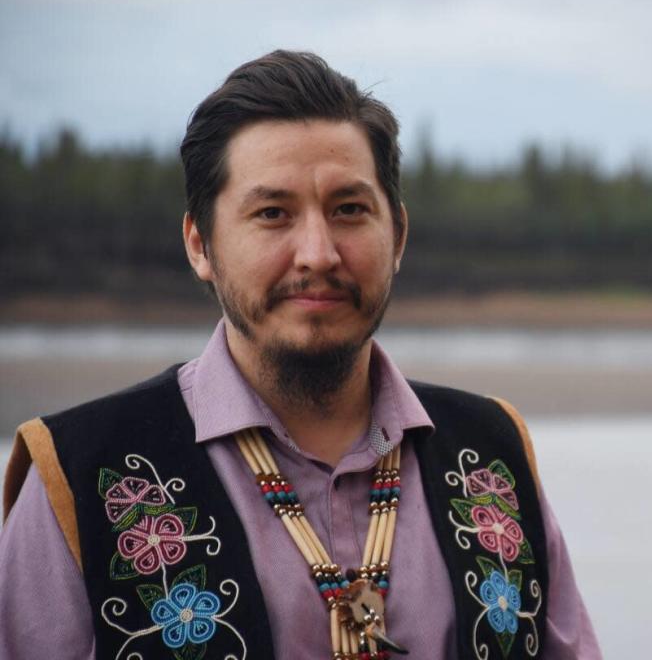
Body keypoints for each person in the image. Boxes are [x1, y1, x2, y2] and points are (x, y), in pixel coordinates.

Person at [0, 50, 600, 659]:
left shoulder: (492, 457)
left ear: (397, 235)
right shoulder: (80, 476)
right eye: (272, 214)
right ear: (200, 245)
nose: (318, 252)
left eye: (348, 209)